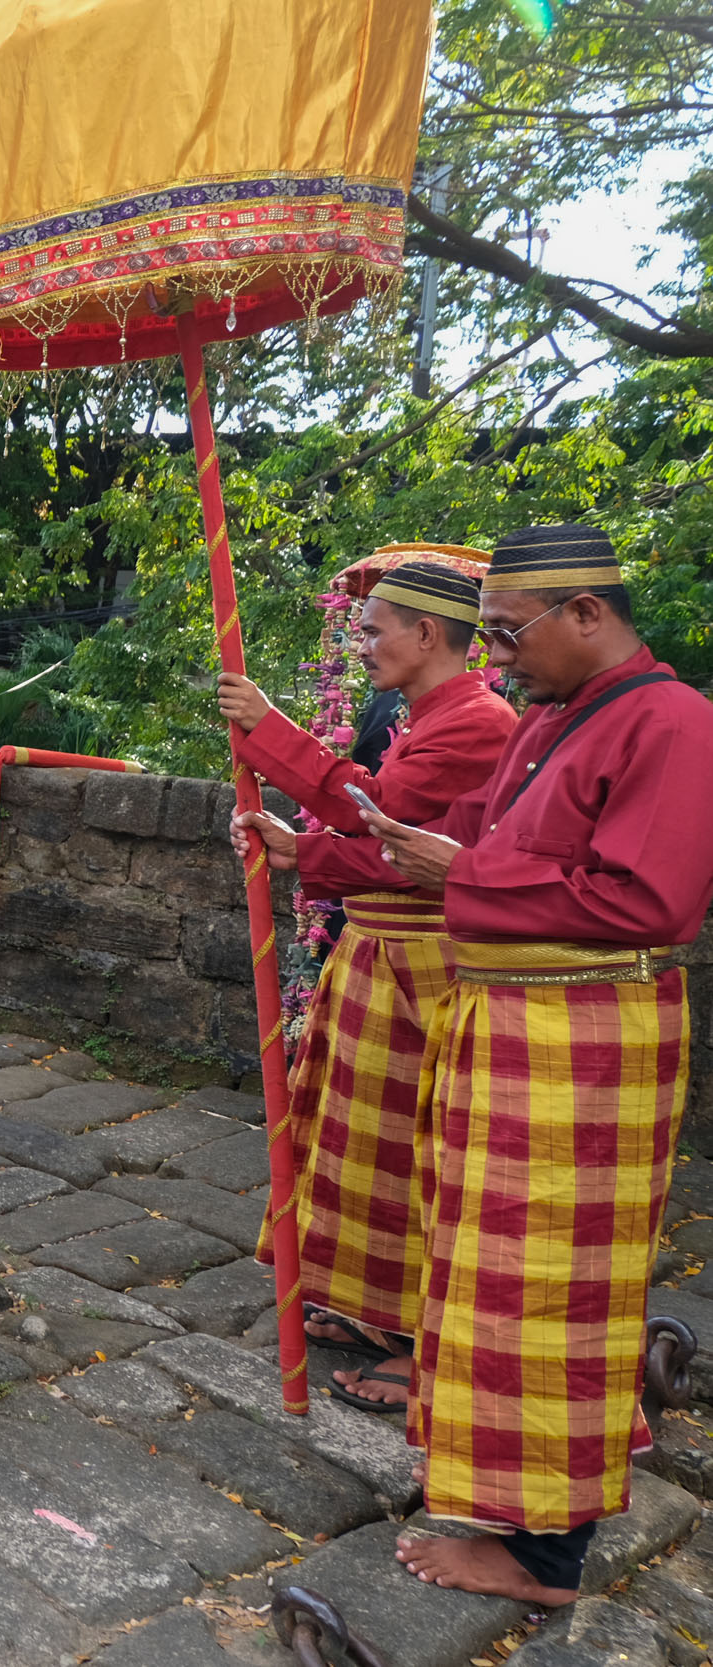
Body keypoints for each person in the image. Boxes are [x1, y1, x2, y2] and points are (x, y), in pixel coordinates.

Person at [282, 524, 713, 1604]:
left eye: (511, 634)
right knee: (483, 1266)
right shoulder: (551, 723)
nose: (502, 656)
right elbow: (469, 830)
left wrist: (462, 875)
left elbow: (647, 899)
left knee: (552, 1282)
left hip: (587, 1035)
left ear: (586, 613)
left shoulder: (674, 722)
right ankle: (508, 1489)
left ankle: (545, 1548)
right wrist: (355, 851)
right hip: (507, 1023)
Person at [222, 553, 517, 1414]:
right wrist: (300, 849)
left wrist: (274, 733)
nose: (360, 642)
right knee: (363, 1152)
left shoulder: (477, 722)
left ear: (429, 634)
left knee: (421, 1160)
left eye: (374, 628)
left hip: (426, 971)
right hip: (381, 959)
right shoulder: (429, 712)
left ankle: (432, 1345)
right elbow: (390, 838)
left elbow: (373, 809)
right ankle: (385, 1317)